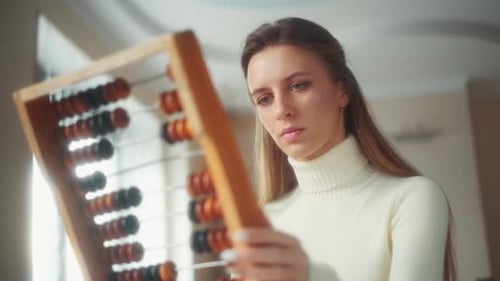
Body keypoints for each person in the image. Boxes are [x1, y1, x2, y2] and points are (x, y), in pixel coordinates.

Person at [220, 17, 456, 281]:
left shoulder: (412, 198)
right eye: (264, 99)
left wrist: (310, 276)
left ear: (342, 91)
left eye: (298, 85)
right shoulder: (264, 225)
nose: (280, 110)